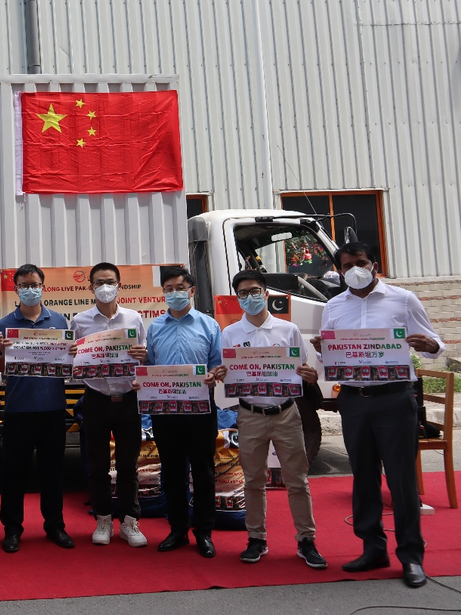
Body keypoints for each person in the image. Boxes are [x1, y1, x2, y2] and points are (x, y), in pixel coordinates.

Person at [311, 242, 444, 588]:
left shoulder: (403, 299)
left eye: (361, 262)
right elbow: (331, 358)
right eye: (347, 265)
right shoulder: (334, 306)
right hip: (354, 399)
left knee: (401, 480)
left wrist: (430, 346)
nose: (354, 269)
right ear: (339, 271)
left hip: (394, 398)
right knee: (364, 476)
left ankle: (411, 556)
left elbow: (434, 343)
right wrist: (323, 351)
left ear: (373, 264)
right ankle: (373, 548)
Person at [218, 270, 325, 568]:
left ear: (266, 294)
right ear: (237, 298)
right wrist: (222, 375)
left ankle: (306, 540)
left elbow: (302, 369)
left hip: (286, 413)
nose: (250, 297)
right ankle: (256, 538)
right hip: (250, 414)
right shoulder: (230, 334)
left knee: (297, 480)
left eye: (255, 291)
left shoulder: (288, 330)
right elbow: (228, 372)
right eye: (243, 293)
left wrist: (310, 376)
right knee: (253, 481)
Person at [143, 266, 224, 558]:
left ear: (191, 291)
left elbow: (217, 364)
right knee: (172, 471)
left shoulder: (209, 325)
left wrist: (214, 374)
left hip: (200, 409)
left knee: (203, 471)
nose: (174, 293)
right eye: (168, 289)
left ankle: (204, 531)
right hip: (165, 411)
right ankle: (177, 529)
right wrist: (142, 378)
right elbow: (150, 366)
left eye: (179, 288)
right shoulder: (155, 327)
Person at [0, 264, 74, 552]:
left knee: (53, 472)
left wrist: (72, 354)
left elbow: (68, 363)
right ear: (15, 289)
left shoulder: (60, 321)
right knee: (13, 473)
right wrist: (2, 351)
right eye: (24, 285)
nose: (30, 289)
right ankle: (12, 529)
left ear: (43, 287)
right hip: (18, 409)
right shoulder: (3, 325)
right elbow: (0, 368)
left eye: (35, 284)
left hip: (53, 408)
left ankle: (55, 525)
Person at [69, 263, 148, 548]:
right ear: (90, 286)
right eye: (99, 282)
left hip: (128, 400)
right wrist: (73, 354)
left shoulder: (134, 318)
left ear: (119, 285)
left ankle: (129, 521)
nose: (105, 287)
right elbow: (72, 361)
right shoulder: (80, 321)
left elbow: (144, 357)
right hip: (96, 399)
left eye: (110, 281)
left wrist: (143, 356)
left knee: (128, 466)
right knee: (97, 465)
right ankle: (103, 519)